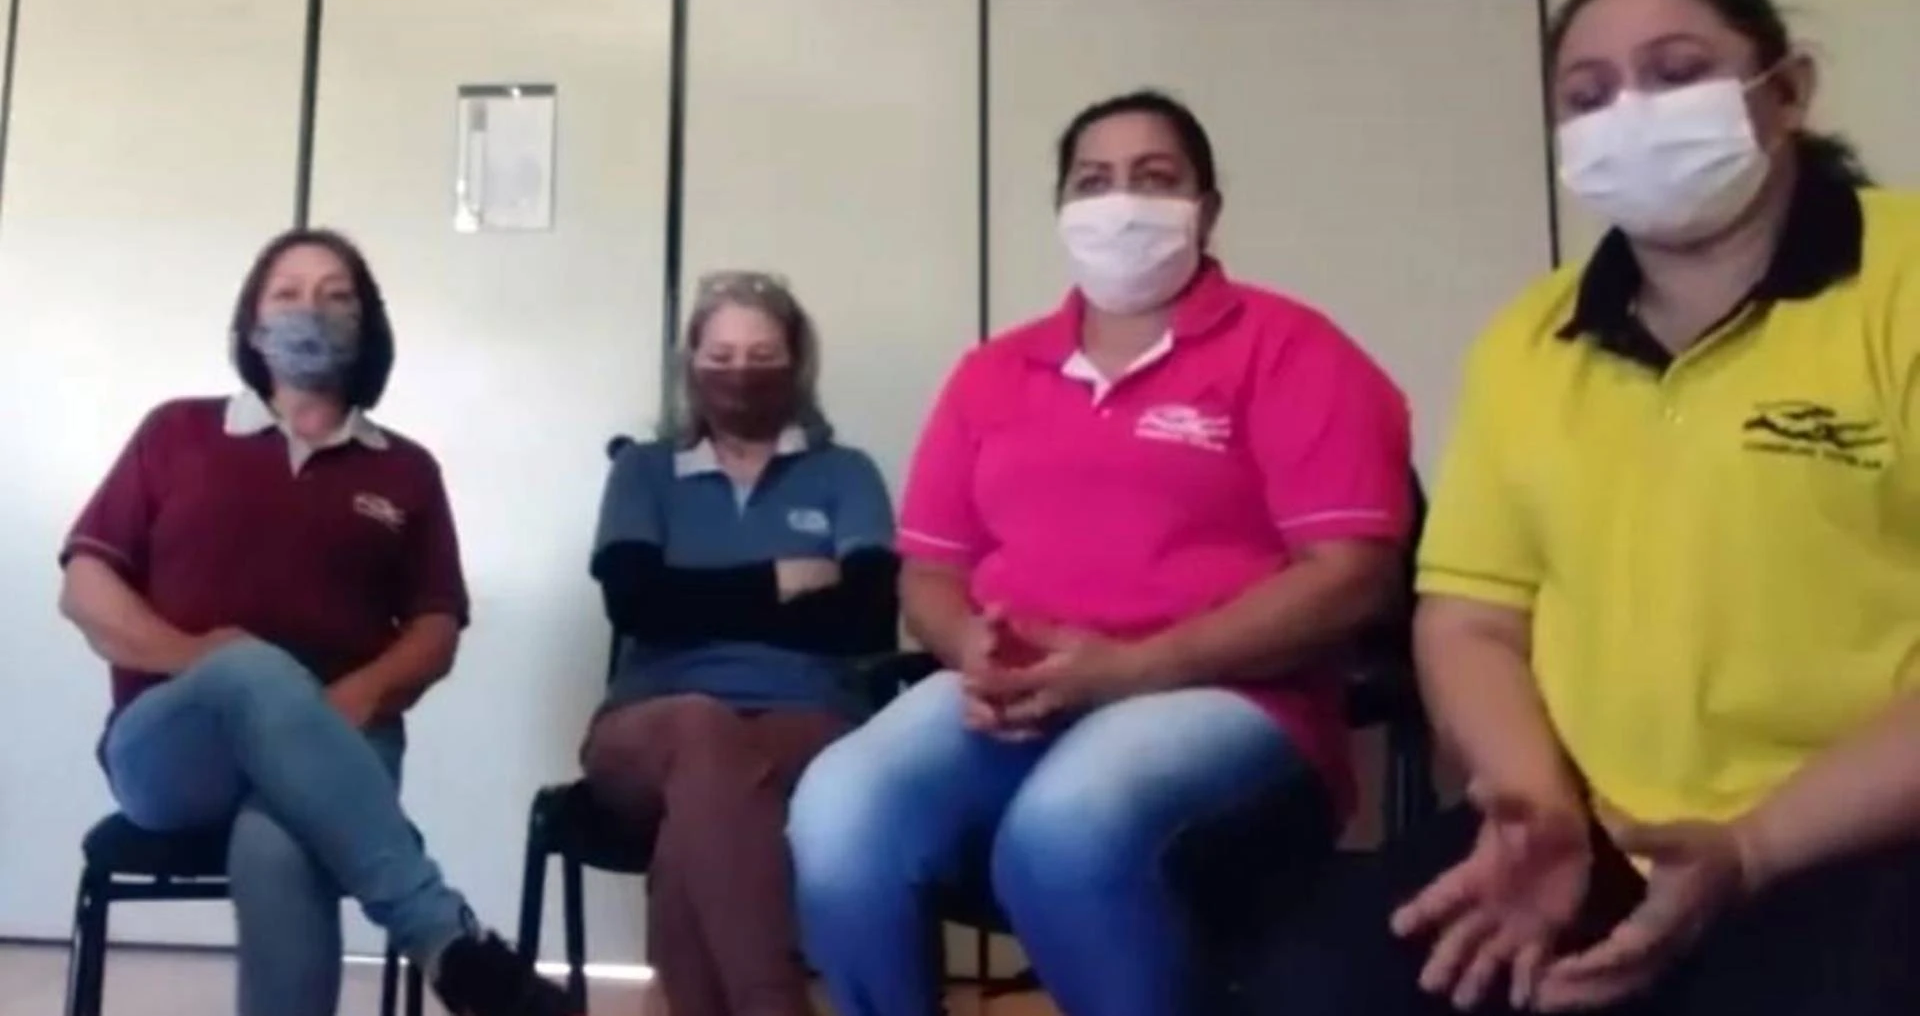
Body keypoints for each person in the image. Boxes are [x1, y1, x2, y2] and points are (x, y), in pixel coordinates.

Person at [1246, 0, 1920, 1016]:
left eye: (1676, 73)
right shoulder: (1531, 338)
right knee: (1310, 986)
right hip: (1593, 830)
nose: (1631, 115)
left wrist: (1751, 848)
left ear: (1787, 91)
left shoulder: (1903, 283)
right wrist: (1534, 805)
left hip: (1860, 831)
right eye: (1589, 95)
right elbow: (1471, 618)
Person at [786, 90, 1415, 1016]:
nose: (1121, 204)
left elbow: (1353, 576)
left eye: (1154, 179)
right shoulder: (994, 372)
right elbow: (931, 571)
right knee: (837, 807)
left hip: (1234, 697)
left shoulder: (1292, 350)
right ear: (1062, 208)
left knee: (1065, 830)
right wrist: (969, 647)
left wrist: (1128, 669)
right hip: (1016, 695)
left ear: (1206, 208)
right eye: (1093, 181)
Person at [57, 229, 580, 1016]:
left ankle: (455, 956)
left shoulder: (406, 469)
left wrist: (364, 692)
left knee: (279, 843)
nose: (312, 308)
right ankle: (447, 939)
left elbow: (436, 626)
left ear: (368, 325)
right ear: (252, 322)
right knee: (250, 667)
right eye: (288, 293)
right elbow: (86, 588)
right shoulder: (176, 432)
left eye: (336, 295)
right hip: (175, 741)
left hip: (347, 727)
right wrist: (196, 657)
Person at [579, 270, 898, 1016]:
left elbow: (866, 619)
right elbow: (636, 605)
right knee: (702, 730)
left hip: (810, 720)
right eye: (720, 355)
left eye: (762, 354)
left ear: (797, 363)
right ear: (690, 363)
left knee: (696, 821)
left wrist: (698, 598)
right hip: (649, 721)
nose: (739, 373)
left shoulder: (845, 474)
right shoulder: (644, 471)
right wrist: (784, 579)